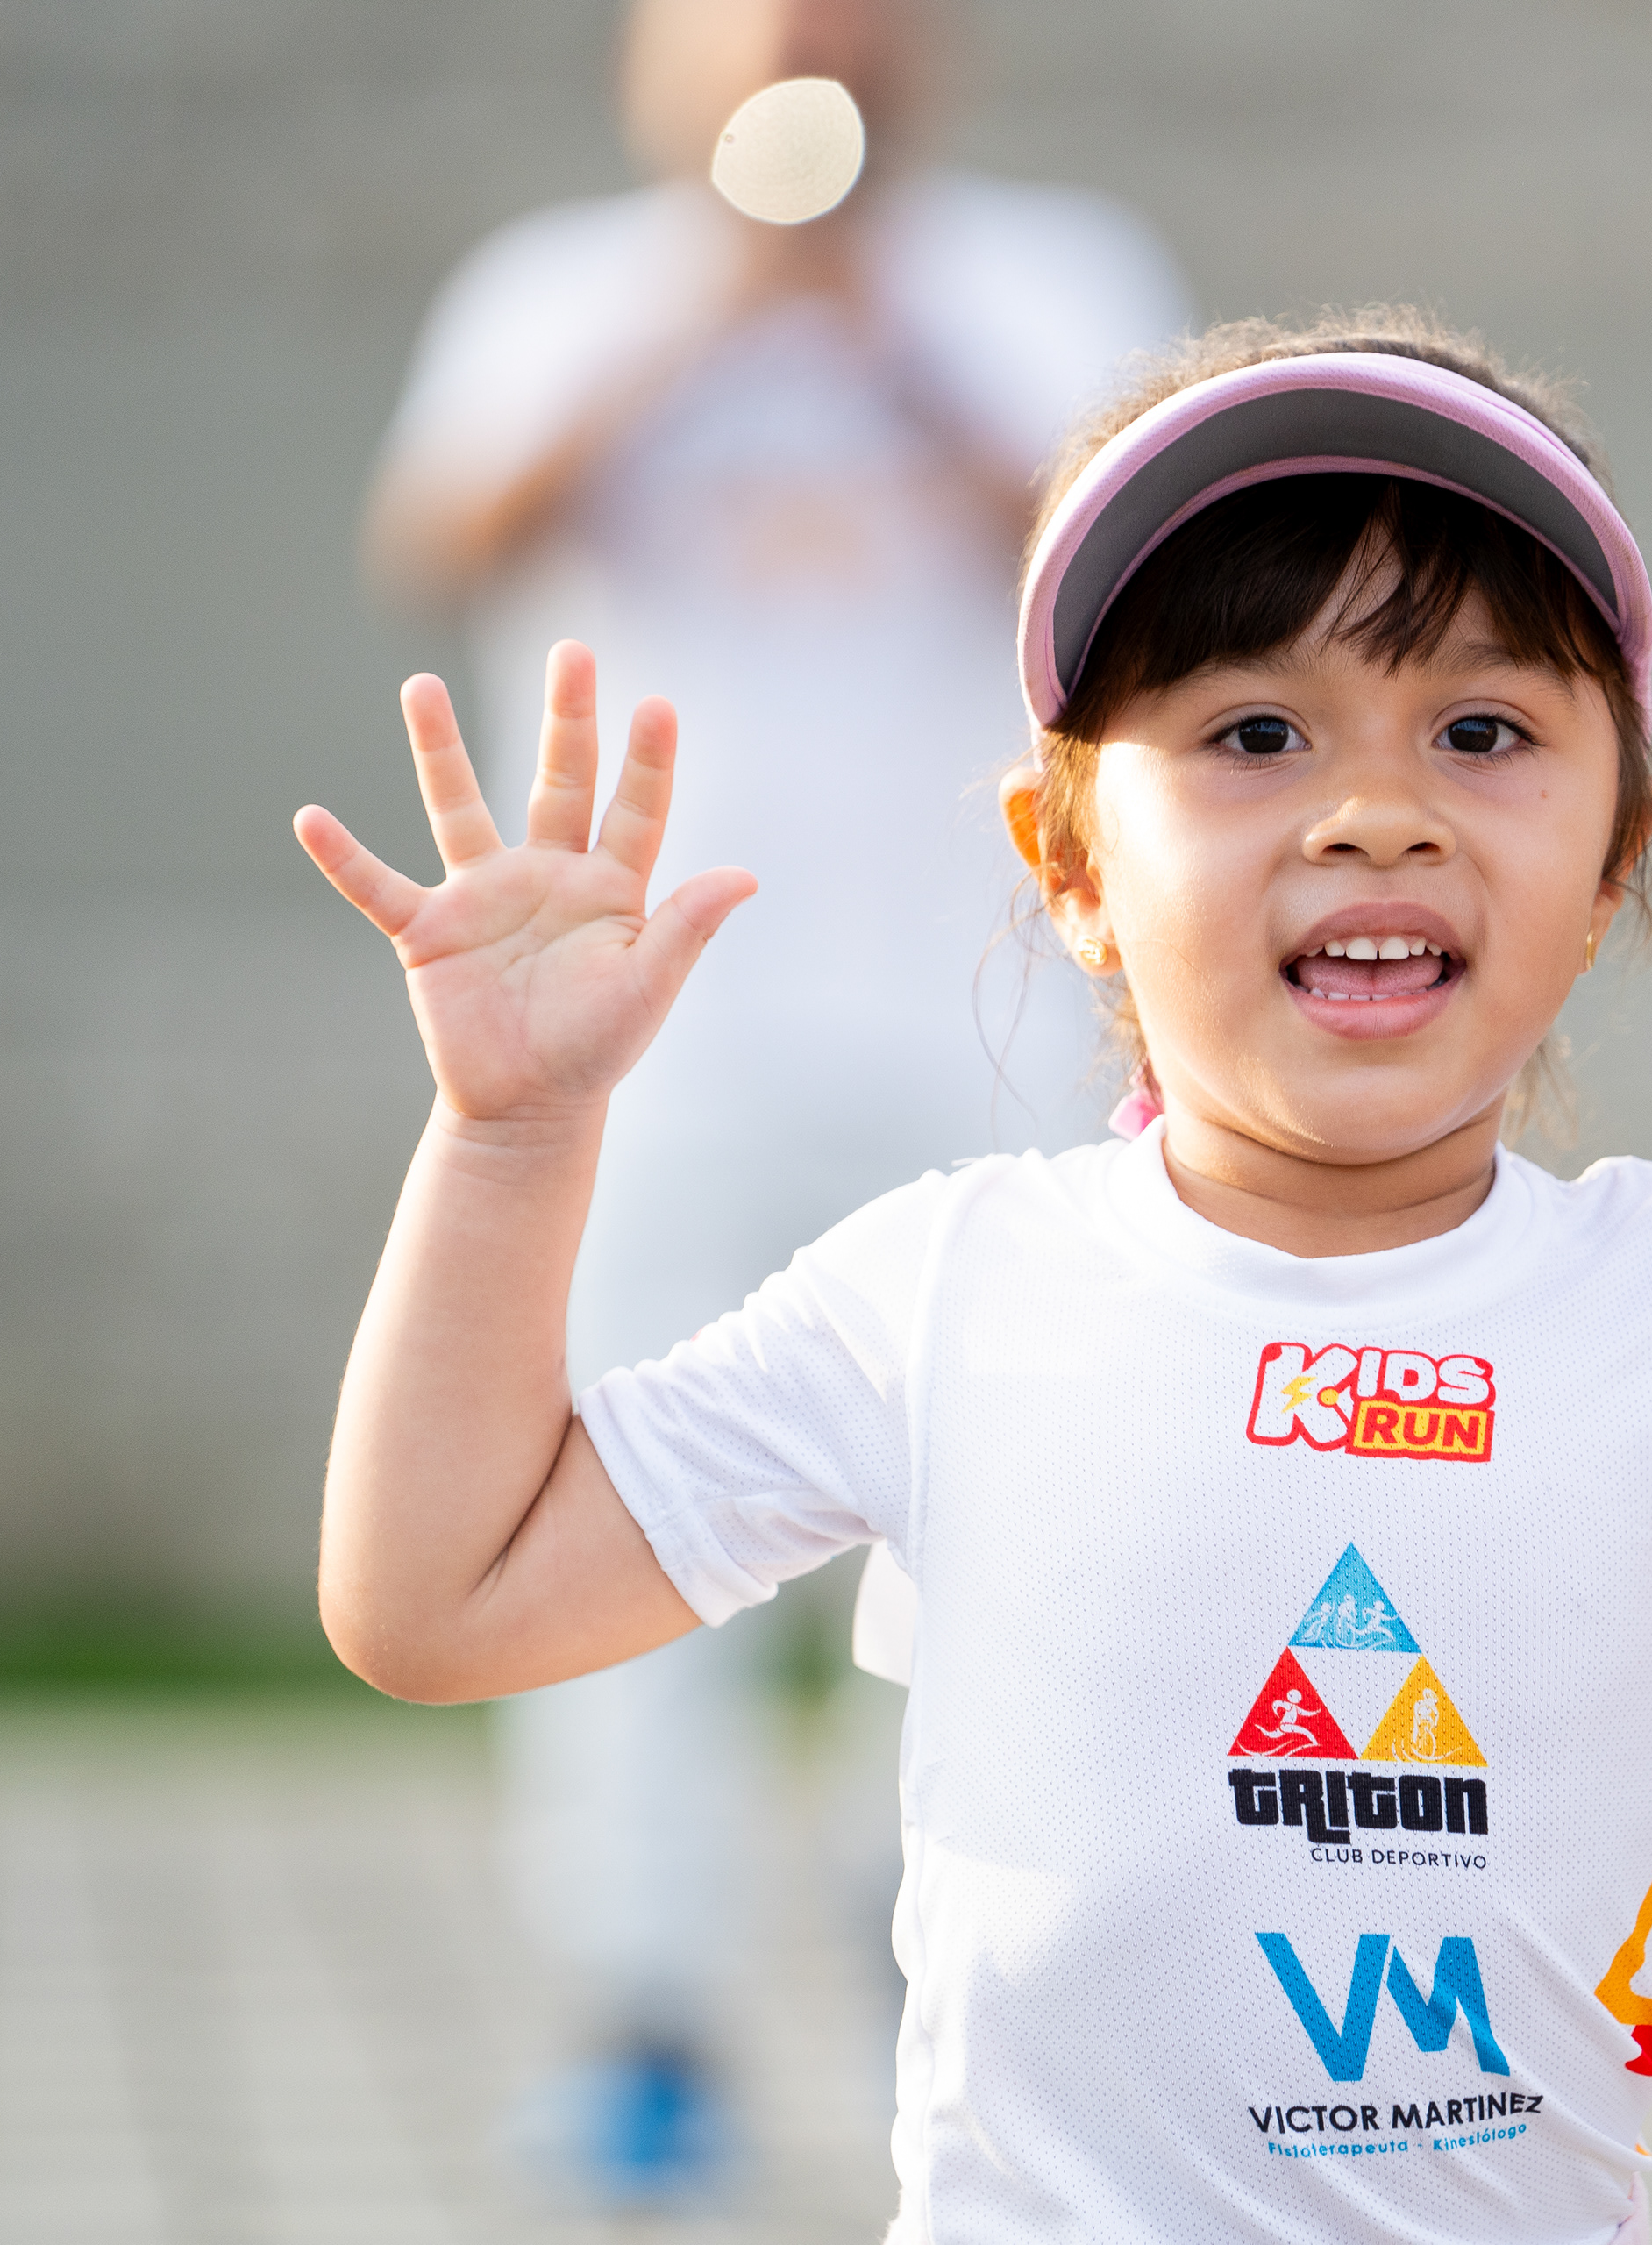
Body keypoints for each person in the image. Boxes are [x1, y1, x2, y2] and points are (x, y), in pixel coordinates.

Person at [294, 311, 1652, 2242]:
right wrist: (511, 1134)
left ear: (1616, 857)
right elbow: (443, 1596)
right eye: (1256, 729)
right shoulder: (950, 1285)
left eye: (1482, 727)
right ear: (1070, 864)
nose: (1376, 813)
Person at [359, 0, 1185, 2199]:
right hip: (651, 1038)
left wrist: (882, 339)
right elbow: (446, 529)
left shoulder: (1056, 274)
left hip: (990, 1017)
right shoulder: (561, 287)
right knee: (604, 1519)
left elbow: (1153, 576)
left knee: (1005, 1524)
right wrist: (716, 311)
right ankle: (642, 2008)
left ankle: (957, 1969)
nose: (816, 59)